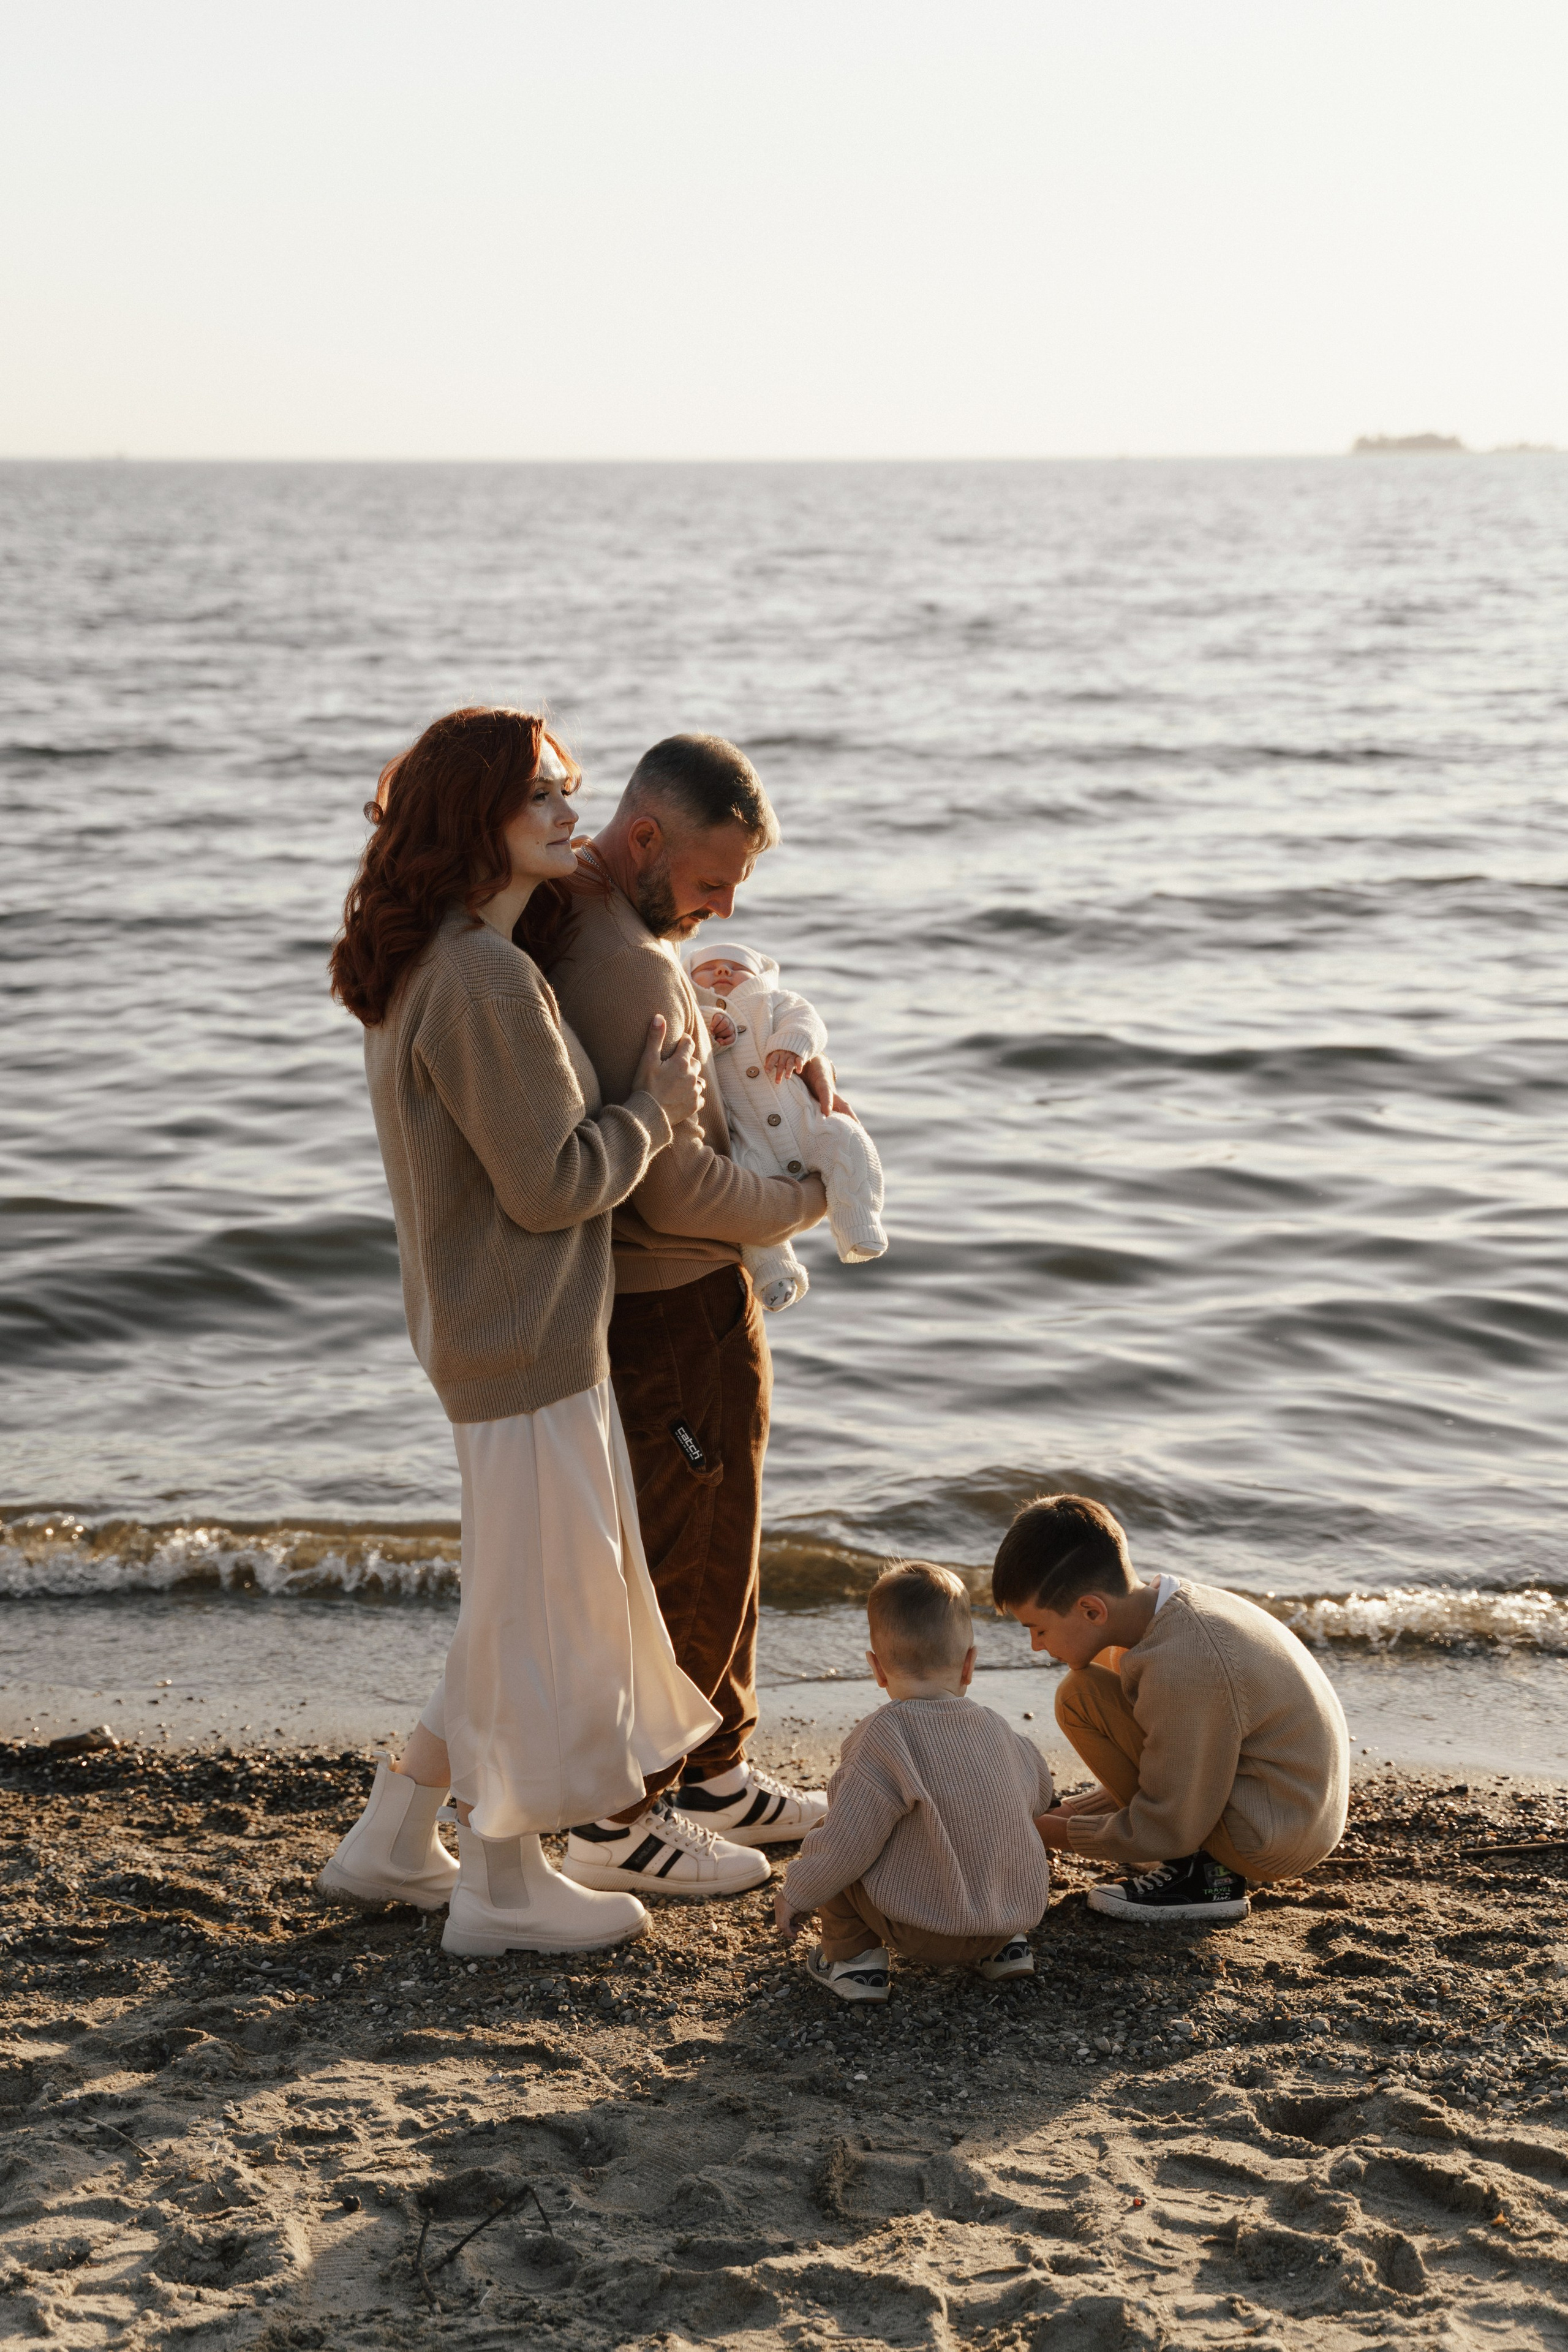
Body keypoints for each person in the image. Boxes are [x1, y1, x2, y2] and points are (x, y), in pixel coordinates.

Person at [317, 704, 734, 1958]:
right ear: (476, 817)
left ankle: (395, 1839)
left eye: (568, 788)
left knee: (509, 1606)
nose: (570, 812)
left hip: (491, 1336)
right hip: (524, 1343)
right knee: (538, 1627)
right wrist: (655, 1109)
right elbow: (551, 1185)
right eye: (541, 794)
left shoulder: (442, 957)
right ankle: (502, 1883)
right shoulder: (483, 976)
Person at [537, 736, 839, 1894]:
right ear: (647, 836)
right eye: (713, 881)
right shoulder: (625, 964)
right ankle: (631, 1815)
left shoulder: (607, 928)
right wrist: (810, 1197)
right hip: (669, 1306)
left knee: (720, 1538)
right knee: (691, 1557)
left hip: (668, 1303)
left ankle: (713, 1772)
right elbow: (671, 1188)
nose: (723, 909)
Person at [992, 1494, 1350, 1923]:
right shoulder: (1170, 1610)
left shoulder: (1183, 1663)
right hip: (1289, 1810)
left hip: (1266, 1840)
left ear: (1091, 1609)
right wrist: (1071, 1812)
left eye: (1038, 1629)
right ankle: (1204, 1862)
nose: (1036, 1645)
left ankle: (1206, 1878)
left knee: (1079, 1697)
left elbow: (1171, 1824)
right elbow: (1179, 1762)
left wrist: (1050, 1832)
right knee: (1089, 1683)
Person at [774, 1562, 1055, 2001]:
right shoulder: (1001, 1730)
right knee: (995, 1821)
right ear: (970, 1664)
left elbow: (848, 1842)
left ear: (877, 1669)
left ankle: (855, 1963)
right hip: (1009, 1916)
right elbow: (1041, 1795)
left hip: (923, 1931)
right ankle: (1006, 1951)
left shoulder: (884, 1736)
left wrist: (797, 1892)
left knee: (831, 1835)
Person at [680, 941, 887, 1312]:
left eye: (736, 967)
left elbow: (809, 1023)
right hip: (748, 1141)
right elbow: (689, 1043)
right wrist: (709, 1025)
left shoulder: (776, 1002)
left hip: (802, 1120)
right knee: (746, 1201)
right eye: (709, 968)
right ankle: (773, 1272)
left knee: (847, 1138)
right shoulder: (693, 1013)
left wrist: (794, 1045)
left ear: (759, 975)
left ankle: (859, 1222)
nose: (723, 972)